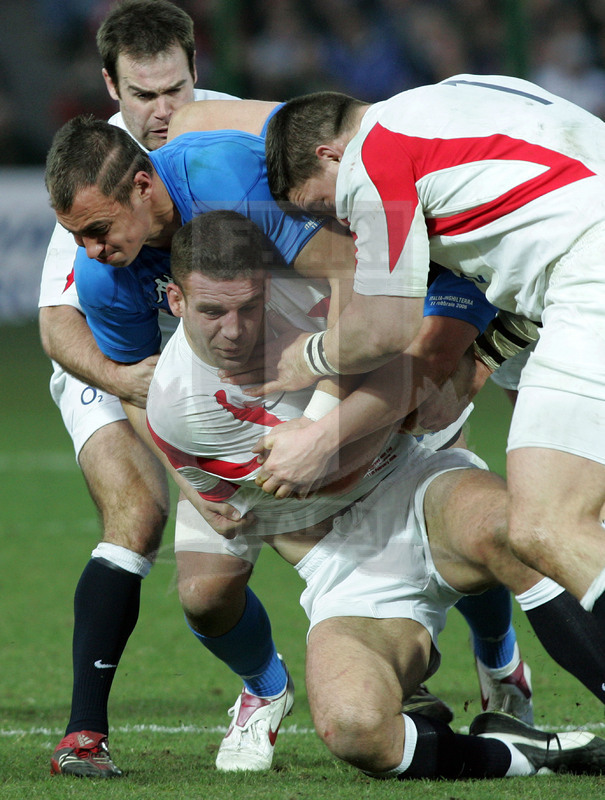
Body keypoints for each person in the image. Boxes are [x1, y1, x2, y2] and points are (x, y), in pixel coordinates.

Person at [44, 105, 556, 727]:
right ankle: (272, 688)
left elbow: (352, 275)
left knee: (453, 481)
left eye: (98, 229)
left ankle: (499, 661)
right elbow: (138, 385)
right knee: (204, 593)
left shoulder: (224, 178)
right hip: (248, 391)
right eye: (77, 237)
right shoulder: (102, 277)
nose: (91, 251)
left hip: (368, 334)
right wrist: (188, 481)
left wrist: (320, 423)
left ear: (143, 186)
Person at [145, 209, 605, 781]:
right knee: (354, 728)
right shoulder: (178, 408)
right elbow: (273, 508)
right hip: (340, 559)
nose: (234, 331)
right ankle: (526, 757)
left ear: (270, 286)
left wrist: (418, 388)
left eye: (249, 307)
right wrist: (367, 428)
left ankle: (503, 661)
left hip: (416, 484)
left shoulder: (324, 290)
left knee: (520, 533)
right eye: (213, 312)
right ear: (176, 301)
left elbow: (440, 309)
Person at [39, 0, 293, 779]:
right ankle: (87, 732)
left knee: (402, 471)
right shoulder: (94, 187)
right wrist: (128, 384)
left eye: (174, 90)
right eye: (142, 95)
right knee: (140, 514)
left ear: (195, 71)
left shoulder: (234, 141)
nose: (160, 110)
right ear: (110, 87)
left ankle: (481, 668)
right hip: (118, 361)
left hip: (249, 350)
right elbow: (58, 324)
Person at [257, 76, 605, 624]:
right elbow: (535, 238)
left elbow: (384, 327)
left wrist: (307, 357)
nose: (338, 222)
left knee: (545, 524)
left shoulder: (372, 156)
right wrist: (484, 357)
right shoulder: (462, 94)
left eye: (322, 205)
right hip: (582, 266)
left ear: (330, 155)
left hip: (590, 275)